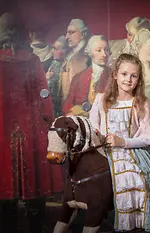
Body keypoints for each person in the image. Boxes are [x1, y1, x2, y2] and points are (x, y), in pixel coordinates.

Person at [89, 53, 150, 232]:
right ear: (115, 75)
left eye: (134, 76)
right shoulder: (101, 100)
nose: (128, 79)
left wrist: (122, 141)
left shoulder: (143, 103)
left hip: (133, 152)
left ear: (139, 79)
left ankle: (137, 225)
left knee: (137, 179)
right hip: (104, 153)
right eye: (124, 74)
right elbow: (92, 129)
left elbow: (146, 139)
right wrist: (102, 138)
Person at [0, 12, 63, 233]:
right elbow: (44, 97)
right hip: (31, 130)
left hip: (2, 130)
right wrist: (50, 125)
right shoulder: (33, 60)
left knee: (4, 184)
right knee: (34, 182)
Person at [63, 35, 110, 116]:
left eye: (106, 50)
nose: (104, 54)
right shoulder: (78, 78)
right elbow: (68, 105)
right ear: (90, 52)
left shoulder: (114, 77)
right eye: (99, 50)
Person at [46, 35, 69, 117]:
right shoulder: (54, 63)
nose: (52, 51)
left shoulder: (68, 66)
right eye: (53, 48)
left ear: (65, 51)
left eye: (56, 49)